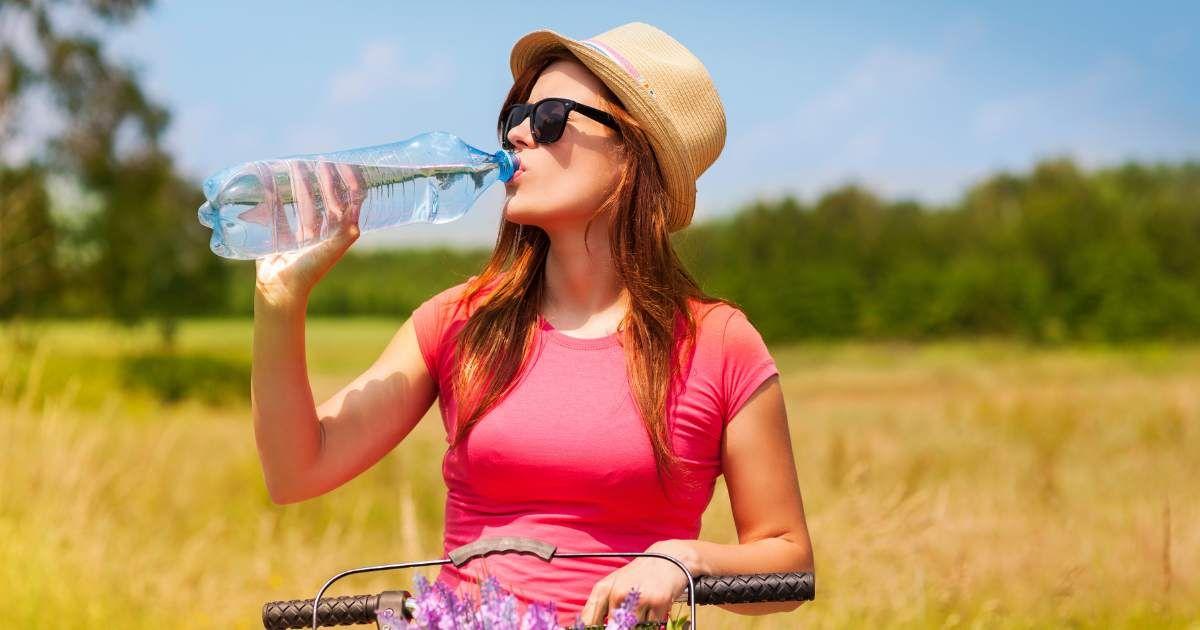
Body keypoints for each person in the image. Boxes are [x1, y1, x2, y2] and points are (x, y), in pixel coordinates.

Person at [251, 21, 813, 627]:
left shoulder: (718, 344)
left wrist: (681, 562)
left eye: (549, 117)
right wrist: (281, 298)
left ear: (633, 151)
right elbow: (296, 471)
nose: (519, 132)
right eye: (515, 115)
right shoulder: (460, 321)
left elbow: (788, 567)